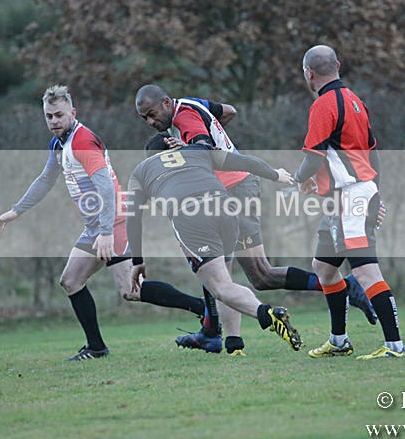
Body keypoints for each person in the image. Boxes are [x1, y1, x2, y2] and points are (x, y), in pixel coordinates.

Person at [135, 85, 376, 356]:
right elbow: (229, 111)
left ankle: (342, 288)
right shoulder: (192, 103)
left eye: (153, 114)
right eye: (144, 118)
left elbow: (202, 146)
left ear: (166, 103)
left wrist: (191, 149)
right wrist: (218, 137)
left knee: (241, 274)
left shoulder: (184, 119)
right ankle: (220, 336)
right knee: (239, 274)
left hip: (232, 189)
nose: (151, 122)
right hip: (235, 186)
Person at [0, 84, 222, 360]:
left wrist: (104, 232)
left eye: (59, 115)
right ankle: (97, 347)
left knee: (129, 290)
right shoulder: (60, 143)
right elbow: (45, 179)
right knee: (71, 281)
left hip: (112, 220)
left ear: (72, 113)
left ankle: (202, 308)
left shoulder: (82, 140)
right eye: (49, 116)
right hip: (97, 226)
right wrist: (16, 211)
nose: (54, 121)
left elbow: (104, 188)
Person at [126, 134, 303, 352]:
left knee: (220, 286)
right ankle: (234, 344)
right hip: (226, 208)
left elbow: (132, 217)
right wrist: (275, 174)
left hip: (191, 215)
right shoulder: (196, 151)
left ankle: (267, 314)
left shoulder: (142, 169)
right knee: (225, 281)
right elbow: (246, 162)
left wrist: (137, 260)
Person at [294, 45, 405, 359]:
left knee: (366, 272)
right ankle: (339, 341)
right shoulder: (356, 101)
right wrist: (377, 195)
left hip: (350, 199)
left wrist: (297, 179)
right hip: (351, 196)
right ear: (338, 65)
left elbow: (312, 158)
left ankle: (394, 345)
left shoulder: (323, 105)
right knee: (324, 269)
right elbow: (373, 153)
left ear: (309, 74)